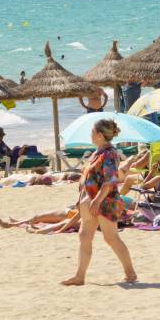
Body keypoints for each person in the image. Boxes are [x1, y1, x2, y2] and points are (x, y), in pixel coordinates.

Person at [62, 119, 137, 286]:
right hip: (90, 202)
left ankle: (130, 273)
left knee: (111, 238)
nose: (90, 134)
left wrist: (96, 200)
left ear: (100, 135)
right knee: (84, 235)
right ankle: (80, 276)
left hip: (104, 202)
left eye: (92, 132)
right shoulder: (97, 152)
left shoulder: (109, 153)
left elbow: (110, 180)